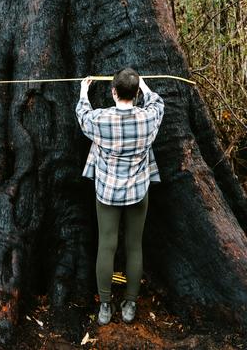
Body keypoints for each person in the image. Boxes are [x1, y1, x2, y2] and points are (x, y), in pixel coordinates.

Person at [76, 68, 164, 325]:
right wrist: (145, 87)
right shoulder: (148, 118)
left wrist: (84, 91)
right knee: (134, 246)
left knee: (107, 245)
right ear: (136, 94)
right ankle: (130, 304)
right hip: (138, 191)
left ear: (113, 91)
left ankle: (105, 305)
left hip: (107, 192)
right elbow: (158, 102)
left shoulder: (101, 120)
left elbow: (82, 115)